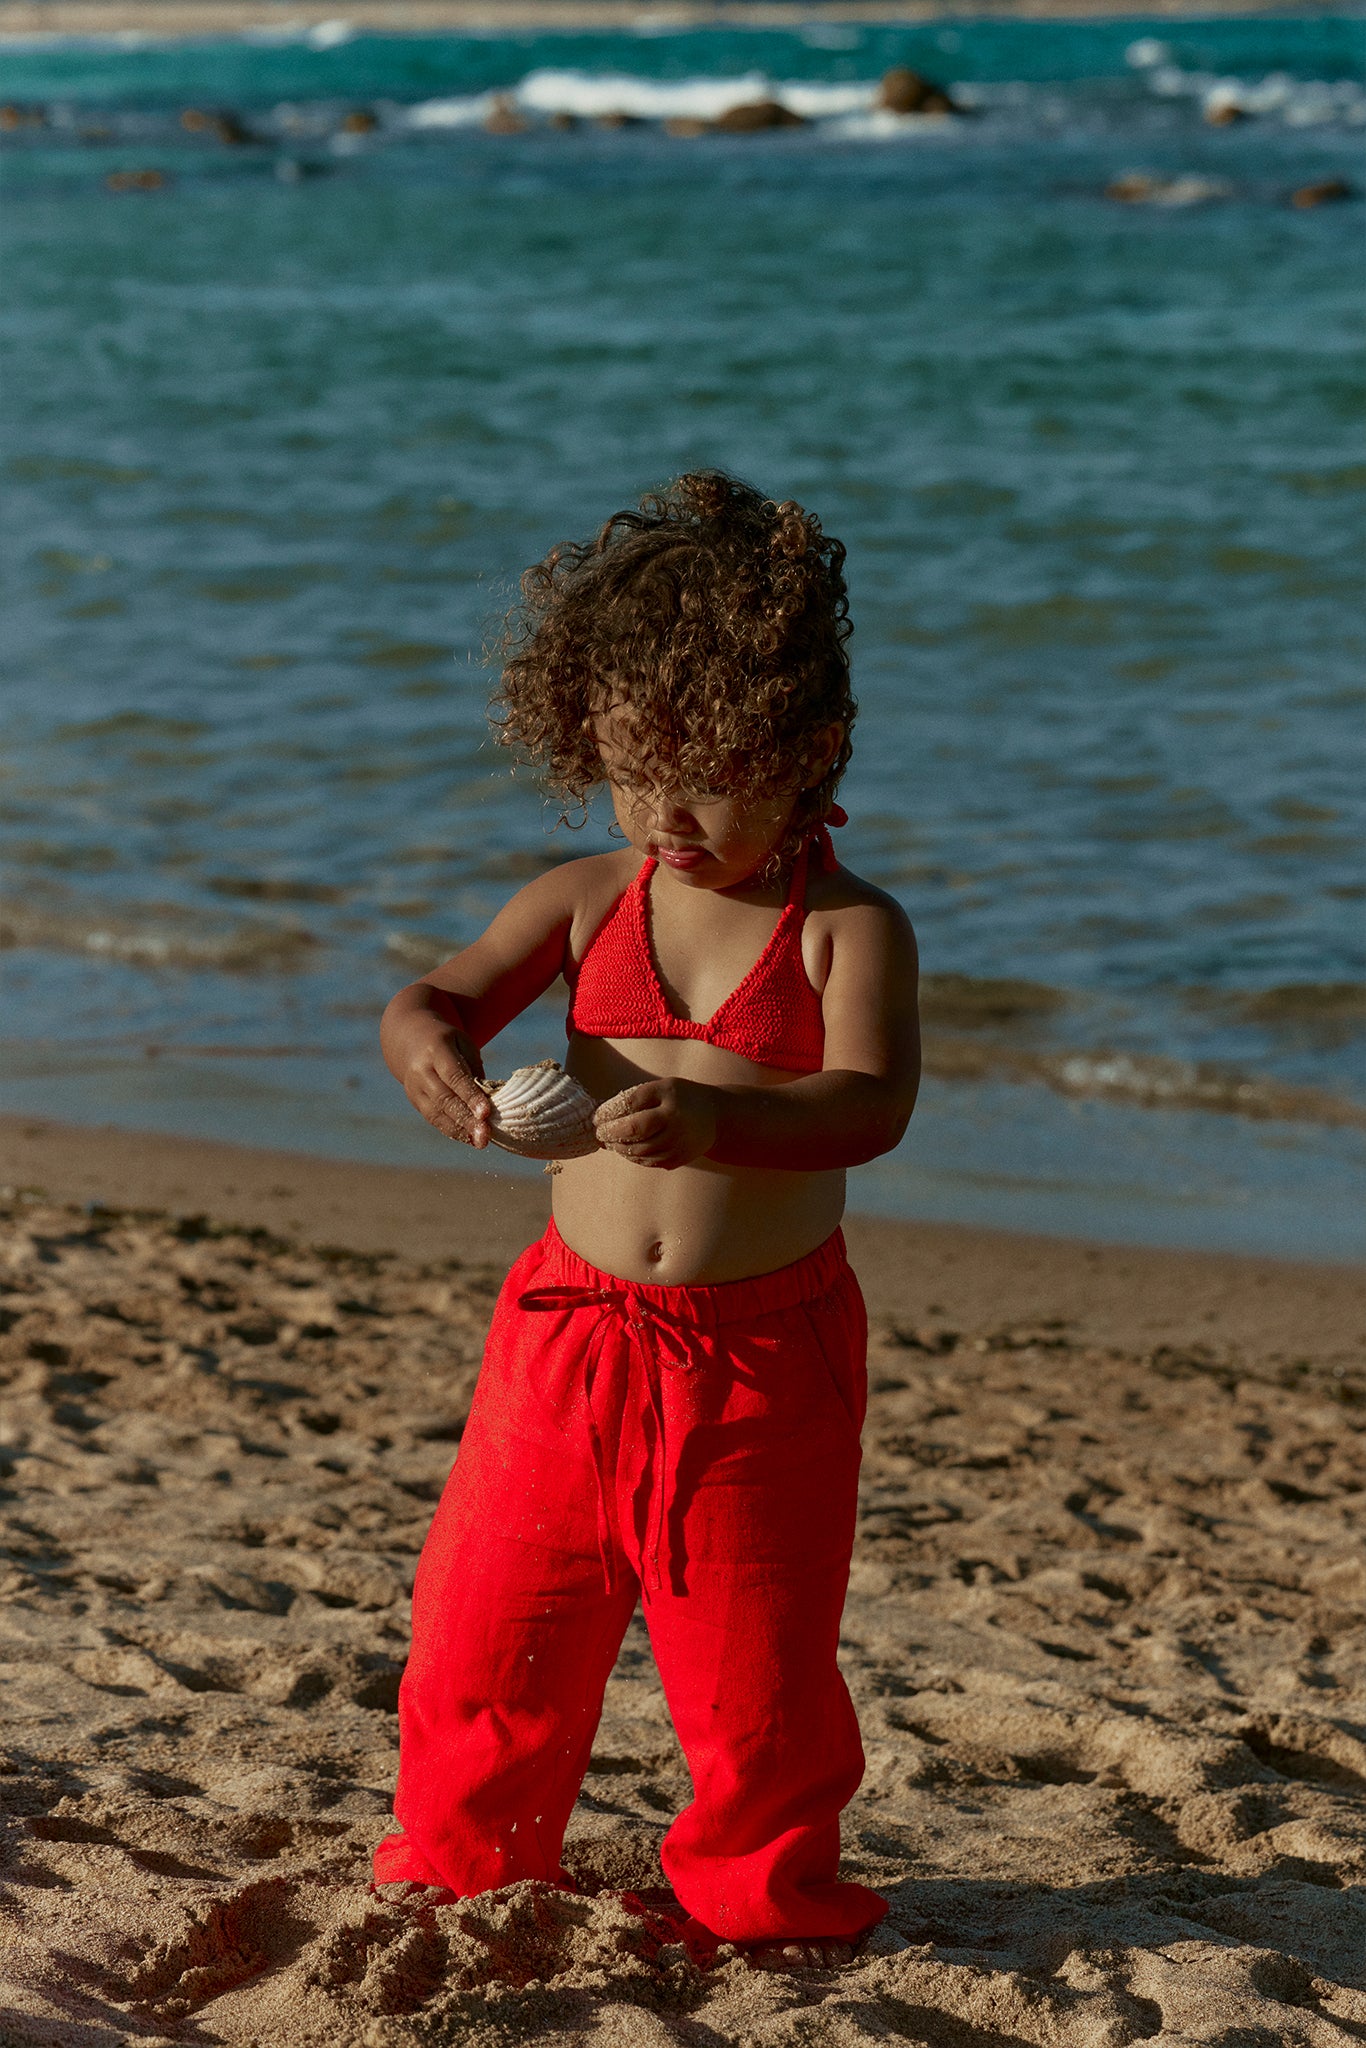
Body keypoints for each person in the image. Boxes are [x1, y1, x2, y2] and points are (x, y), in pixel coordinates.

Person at [372, 471, 921, 1956]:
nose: (665, 813)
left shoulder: (844, 928)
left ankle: (758, 1897)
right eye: (629, 768)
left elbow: (871, 1104)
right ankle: (465, 1861)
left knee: (754, 1665)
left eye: (709, 771)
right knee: (493, 1618)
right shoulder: (584, 895)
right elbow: (438, 994)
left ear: (811, 752)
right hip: (566, 1331)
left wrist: (722, 1122)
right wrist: (430, 1053)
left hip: (759, 1361)